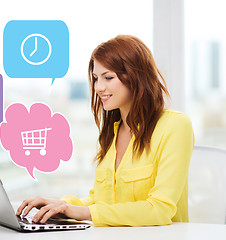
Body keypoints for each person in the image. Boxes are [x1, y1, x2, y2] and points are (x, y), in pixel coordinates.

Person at [16, 35, 195, 226]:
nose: (99, 87)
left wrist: (81, 212)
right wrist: (61, 206)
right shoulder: (113, 132)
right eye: (95, 78)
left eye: (108, 77)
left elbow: (160, 210)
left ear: (136, 77)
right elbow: (99, 202)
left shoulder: (176, 126)